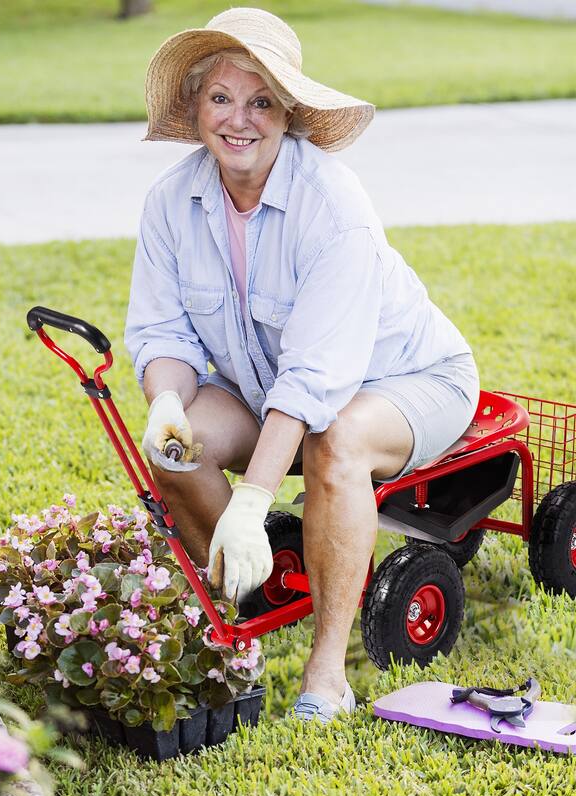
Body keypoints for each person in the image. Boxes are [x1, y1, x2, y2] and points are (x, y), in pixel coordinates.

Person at [124, 7, 479, 724]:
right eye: (221, 97)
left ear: (289, 114)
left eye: (261, 102)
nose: (239, 120)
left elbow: (314, 381)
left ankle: (327, 675)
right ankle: (244, 611)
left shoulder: (333, 206)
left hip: (408, 380)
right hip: (267, 387)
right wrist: (165, 402)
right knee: (174, 448)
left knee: (334, 440)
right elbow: (163, 334)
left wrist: (254, 499)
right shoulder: (171, 201)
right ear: (195, 106)